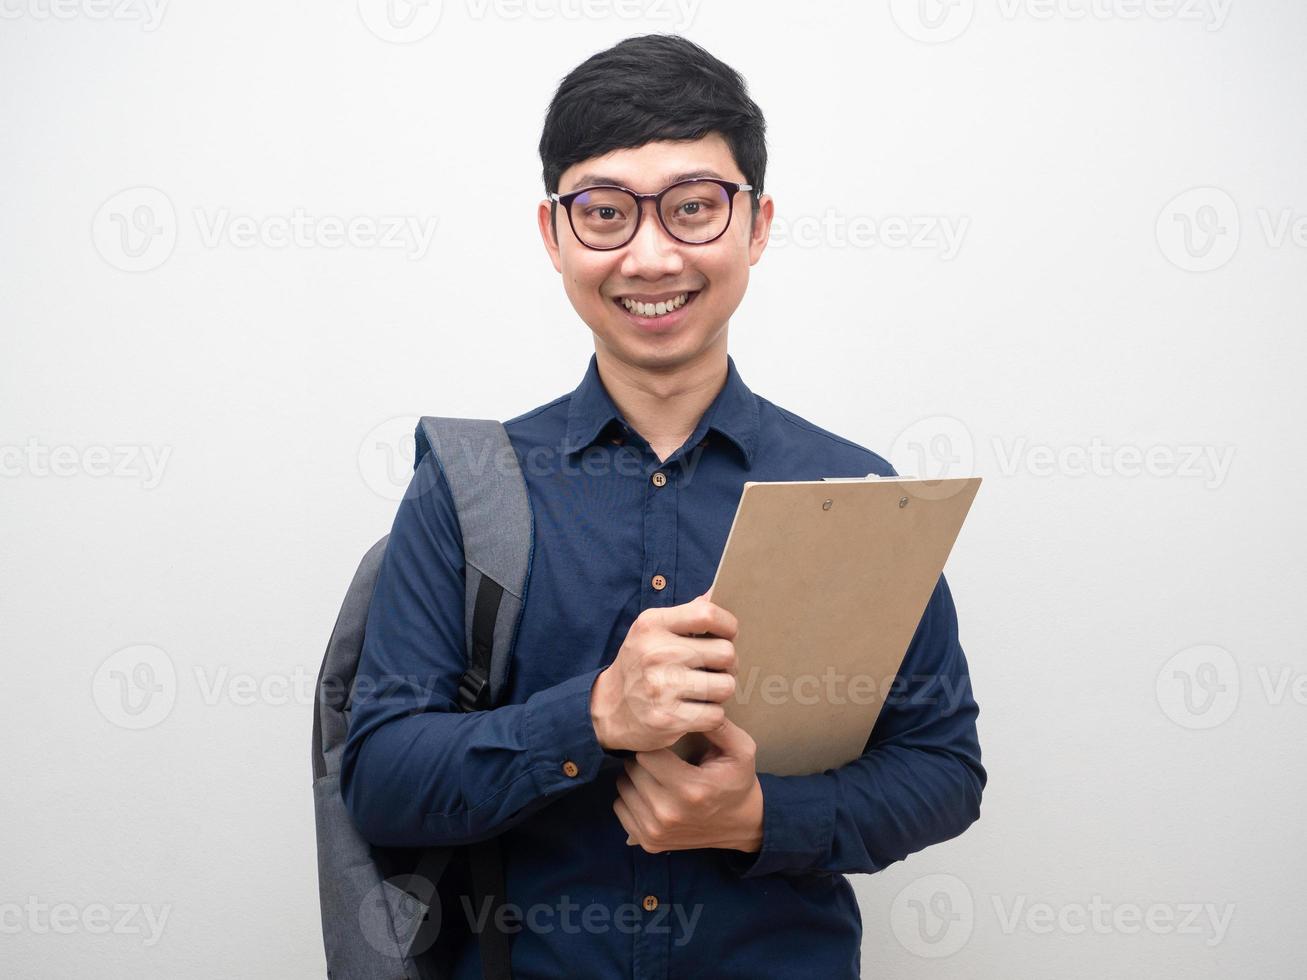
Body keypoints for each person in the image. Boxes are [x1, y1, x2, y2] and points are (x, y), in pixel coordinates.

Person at [341, 33, 986, 979]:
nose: (649, 257)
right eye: (603, 212)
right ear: (553, 234)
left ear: (757, 226)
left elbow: (942, 769)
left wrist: (762, 817)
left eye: (692, 208)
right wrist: (595, 715)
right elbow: (380, 781)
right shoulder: (468, 484)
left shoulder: (850, 493)